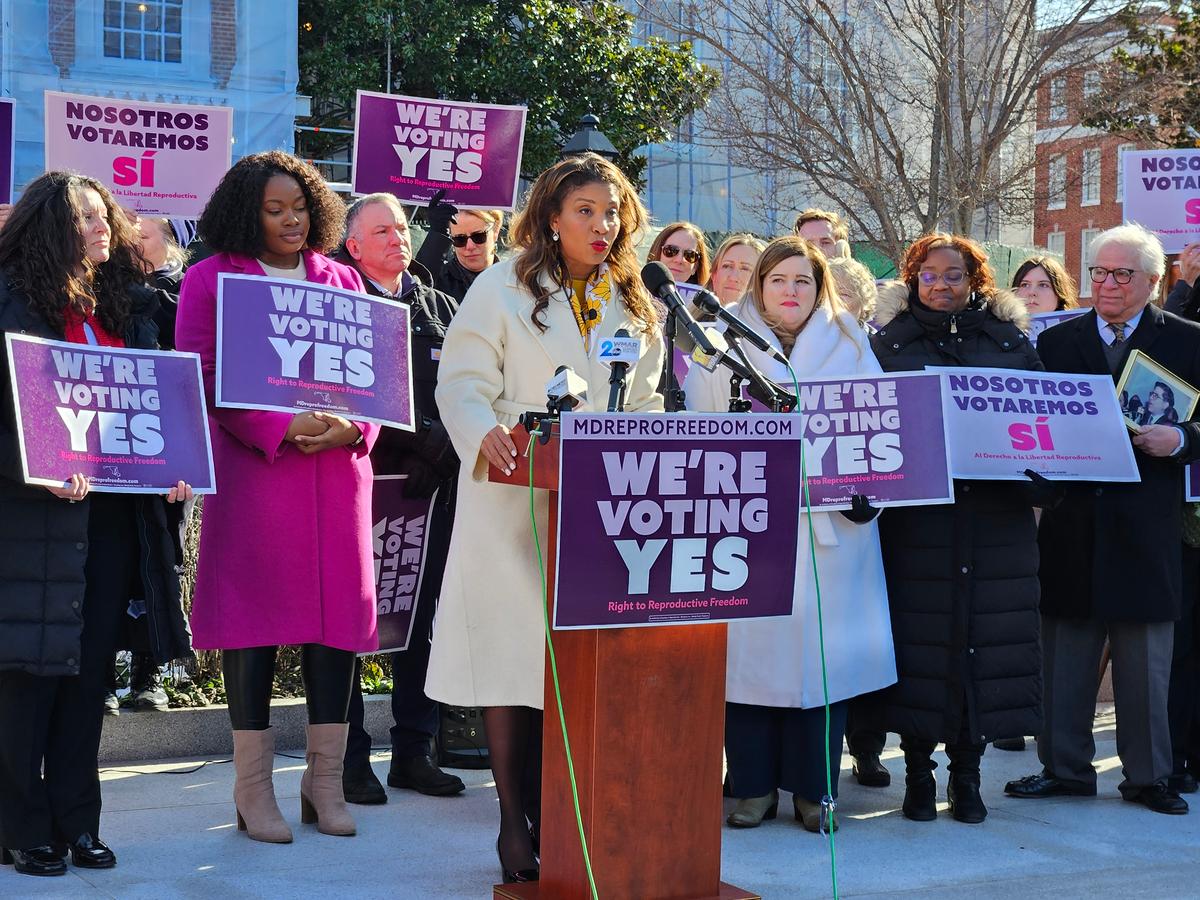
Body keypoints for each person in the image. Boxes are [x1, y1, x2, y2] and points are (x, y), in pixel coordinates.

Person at [428, 152, 665, 882]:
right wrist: (485, 433)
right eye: (587, 209)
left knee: (576, 665)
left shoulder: (636, 297)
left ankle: (569, 815)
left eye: (613, 210)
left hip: (602, 503)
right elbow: (461, 383)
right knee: (512, 657)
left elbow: (650, 400)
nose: (603, 223)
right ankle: (510, 821)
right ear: (552, 216)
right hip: (513, 489)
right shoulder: (502, 285)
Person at [176, 151, 380, 843]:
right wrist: (277, 426)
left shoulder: (343, 278)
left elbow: (375, 376)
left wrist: (356, 427)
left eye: (299, 206)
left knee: (337, 627)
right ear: (245, 213)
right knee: (254, 625)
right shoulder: (209, 280)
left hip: (337, 474)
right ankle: (251, 789)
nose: (291, 220)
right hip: (260, 474)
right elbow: (200, 376)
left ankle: (324, 784)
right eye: (274, 209)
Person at [0, 172, 192, 876]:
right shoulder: (10, 304)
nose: (101, 225)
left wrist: (174, 464)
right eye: (83, 218)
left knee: (88, 681)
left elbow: (159, 401)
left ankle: (79, 822)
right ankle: (21, 827)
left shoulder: (132, 306)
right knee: (30, 679)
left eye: (102, 213)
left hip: (115, 518)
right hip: (32, 521)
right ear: (50, 228)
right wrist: (30, 467)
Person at [683, 236, 896, 832]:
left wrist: (866, 499)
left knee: (820, 666)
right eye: (778, 279)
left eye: (803, 280)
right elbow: (699, 428)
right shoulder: (721, 343)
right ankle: (751, 789)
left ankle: (814, 791)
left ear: (819, 285)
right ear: (759, 285)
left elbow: (877, 431)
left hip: (830, 532)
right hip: (746, 526)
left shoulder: (851, 342)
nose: (791, 291)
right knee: (748, 661)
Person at [1008, 224, 1200, 816]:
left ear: (1153, 280)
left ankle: (1149, 777)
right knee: (1065, 649)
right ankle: (1063, 767)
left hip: (1147, 523)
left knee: (1146, 660)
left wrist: (1186, 438)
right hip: (1072, 520)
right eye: (1098, 273)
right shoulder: (1056, 343)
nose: (1108, 284)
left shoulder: (1190, 342)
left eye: (1122, 275)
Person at [870, 233, 1047, 824]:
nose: (941, 285)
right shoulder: (885, 346)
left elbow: (1044, 424)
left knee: (982, 650)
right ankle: (917, 777)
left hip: (995, 521)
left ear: (976, 282)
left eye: (954, 275)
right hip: (916, 527)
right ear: (912, 279)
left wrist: (1042, 480)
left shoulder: (1010, 343)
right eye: (929, 275)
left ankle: (967, 778)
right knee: (920, 651)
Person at [331, 193, 465, 804]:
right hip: (359, 482)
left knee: (421, 618)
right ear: (353, 245)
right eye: (381, 230)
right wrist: (411, 439)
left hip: (430, 490)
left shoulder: (438, 303)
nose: (397, 239)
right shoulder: (336, 304)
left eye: (402, 229)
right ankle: (349, 759)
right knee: (353, 622)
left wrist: (446, 445)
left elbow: (467, 386)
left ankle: (413, 751)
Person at [415, 191, 503, 303]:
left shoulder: (516, 280)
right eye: (459, 239)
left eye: (478, 236)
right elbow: (416, 291)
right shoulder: (438, 282)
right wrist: (437, 235)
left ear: (496, 231)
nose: (470, 246)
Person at [707, 233, 765, 306]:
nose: (733, 278)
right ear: (714, 275)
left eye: (745, 268)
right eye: (727, 266)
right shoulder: (690, 316)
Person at [647, 221, 711, 286]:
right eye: (671, 250)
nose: (679, 260)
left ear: (695, 266)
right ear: (657, 253)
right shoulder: (637, 293)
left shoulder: (710, 295)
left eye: (690, 255)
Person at [1012, 255, 1079, 314]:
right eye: (1025, 285)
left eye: (1043, 285)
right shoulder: (1002, 327)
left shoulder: (1076, 327)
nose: (1032, 292)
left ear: (1059, 295)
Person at [826, 255, 877, 326]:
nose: (833, 299)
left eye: (843, 294)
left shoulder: (870, 337)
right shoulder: (808, 334)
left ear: (864, 304)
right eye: (826, 293)